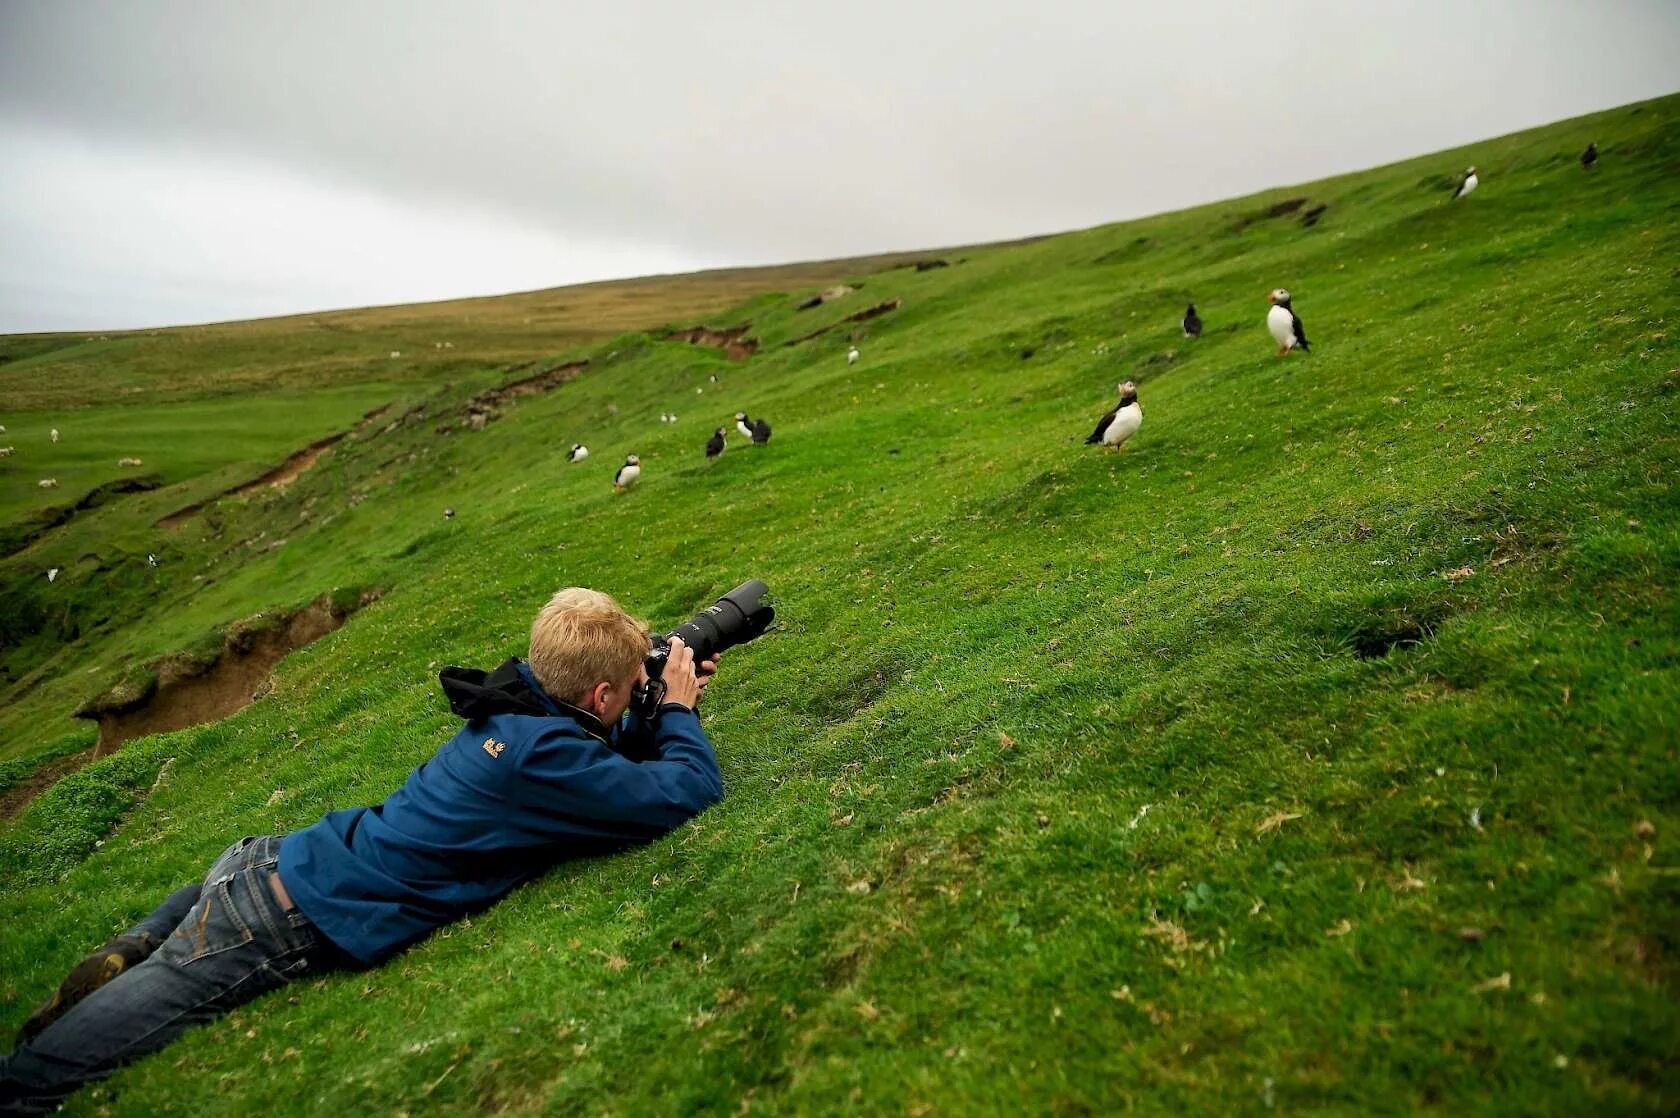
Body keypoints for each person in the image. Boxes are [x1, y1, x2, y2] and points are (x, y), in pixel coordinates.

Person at [1, 588, 724, 1114]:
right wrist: (679, 714)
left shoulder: (516, 707)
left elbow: (592, 769)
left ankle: (144, 940)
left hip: (273, 861)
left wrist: (648, 710)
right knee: (40, 1080)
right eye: (628, 692)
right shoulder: (541, 756)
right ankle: (54, 1048)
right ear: (599, 694)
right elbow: (684, 791)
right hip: (277, 918)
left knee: (189, 930)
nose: (638, 697)